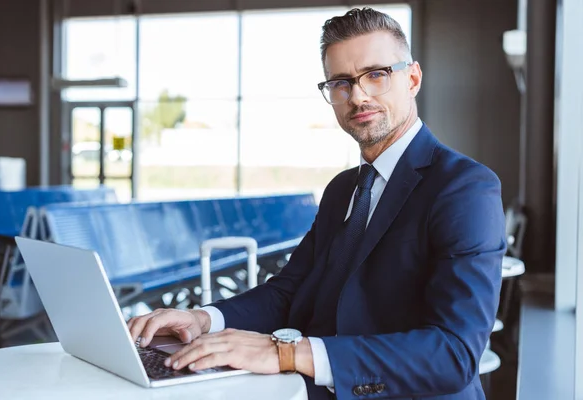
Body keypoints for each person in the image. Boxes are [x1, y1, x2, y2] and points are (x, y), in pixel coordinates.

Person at [128, 7, 505, 400]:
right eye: (341, 82)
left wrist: (288, 354)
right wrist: (202, 319)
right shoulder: (344, 189)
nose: (358, 95)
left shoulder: (464, 188)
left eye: (376, 75)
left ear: (412, 78)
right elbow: (288, 291)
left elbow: (453, 354)